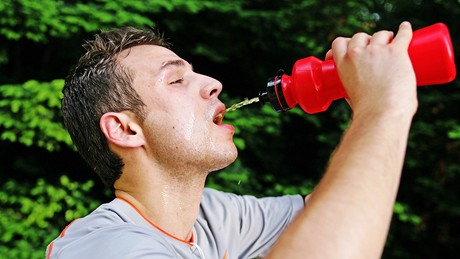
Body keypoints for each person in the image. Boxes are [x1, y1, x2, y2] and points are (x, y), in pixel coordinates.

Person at [46, 21, 417, 258]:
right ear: (126, 130)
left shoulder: (212, 217)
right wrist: (382, 110)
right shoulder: (105, 248)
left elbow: (343, 215)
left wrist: (365, 107)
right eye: (176, 80)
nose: (213, 83)